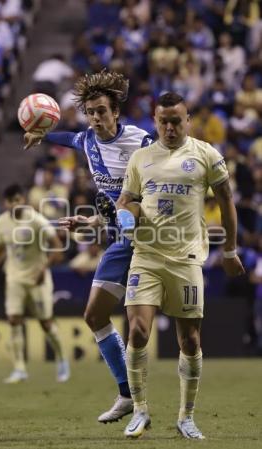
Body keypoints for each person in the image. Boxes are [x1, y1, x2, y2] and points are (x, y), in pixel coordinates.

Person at [24, 70, 153, 422]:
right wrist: (42, 134)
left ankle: (162, 405)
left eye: (101, 111)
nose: (96, 118)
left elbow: (160, 185)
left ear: (116, 113)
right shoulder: (88, 141)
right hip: (120, 239)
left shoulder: (141, 142)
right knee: (94, 315)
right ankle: (127, 394)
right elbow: (68, 137)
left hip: (151, 236)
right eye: (91, 112)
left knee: (163, 327)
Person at [115, 92, 245, 439]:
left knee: (189, 340)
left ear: (187, 120)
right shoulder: (141, 158)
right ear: (154, 121)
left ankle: (186, 416)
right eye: (163, 121)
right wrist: (126, 215)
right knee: (138, 331)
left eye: (177, 121)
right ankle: (140, 411)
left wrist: (230, 251)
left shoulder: (206, 154)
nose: (170, 127)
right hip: (146, 256)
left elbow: (227, 200)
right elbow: (126, 201)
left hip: (187, 259)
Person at [0, 184, 70, 384]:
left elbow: (58, 247)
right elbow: (0, 249)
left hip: (37, 278)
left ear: (23, 199)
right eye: (11, 200)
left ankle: (62, 359)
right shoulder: (0, 223)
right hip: (14, 277)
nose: (15, 203)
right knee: (13, 319)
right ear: (5, 203)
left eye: (18, 199)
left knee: (46, 323)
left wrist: (43, 268)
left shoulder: (36, 220)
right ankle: (20, 369)